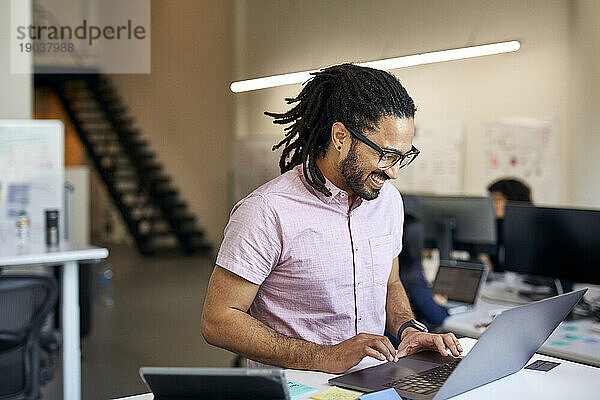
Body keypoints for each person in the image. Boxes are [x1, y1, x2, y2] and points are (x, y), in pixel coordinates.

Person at [201, 64, 462, 374]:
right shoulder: (266, 210)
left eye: (403, 157)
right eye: (385, 154)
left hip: (372, 381)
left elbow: (390, 282)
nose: (393, 172)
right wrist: (324, 356)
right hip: (297, 390)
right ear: (341, 137)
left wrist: (408, 328)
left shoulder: (388, 201)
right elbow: (218, 320)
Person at [397, 214, 448, 332]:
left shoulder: (386, 265)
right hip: (399, 344)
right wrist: (441, 306)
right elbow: (437, 317)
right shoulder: (412, 273)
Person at [486, 178, 533, 271]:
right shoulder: (494, 227)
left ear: (514, 200)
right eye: (490, 199)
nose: (491, 204)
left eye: (497, 199)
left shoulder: (531, 231)